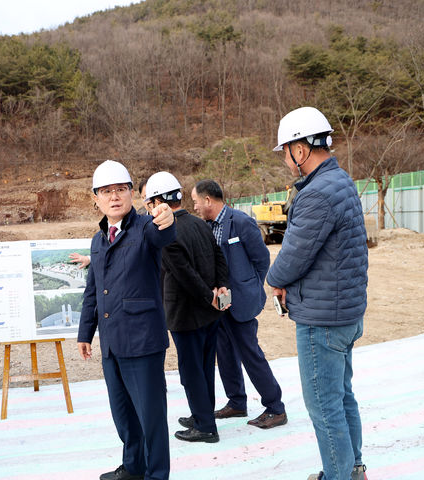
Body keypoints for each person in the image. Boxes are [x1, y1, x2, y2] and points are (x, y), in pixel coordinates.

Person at [267, 107, 369, 480]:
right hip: (346, 314)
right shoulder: (341, 181)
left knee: (324, 407)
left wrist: (273, 278)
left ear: (301, 148)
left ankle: (340, 475)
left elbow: (293, 257)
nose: (286, 159)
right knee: (342, 398)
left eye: (286, 150)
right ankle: (353, 469)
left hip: (322, 320)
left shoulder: (316, 195)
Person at [77, 160, 175, 480]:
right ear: (95, 198)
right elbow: (93, 289)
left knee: (151, 416)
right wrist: (84, 333)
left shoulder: (145, 227)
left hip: (142, 340)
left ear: (132, 193)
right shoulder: (98, 239)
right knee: (124, 414)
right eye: (106, 192)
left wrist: (166, 219)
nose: (114, 197)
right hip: (112, 341)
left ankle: (156, 474)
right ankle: (133, 468)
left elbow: (163, 235)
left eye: (121, 190)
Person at [191, 179, 287, 429]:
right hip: (219, 303)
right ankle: (236, 402)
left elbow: (262, 259)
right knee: (224, 354)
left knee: (250, 354)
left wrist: (249, 286)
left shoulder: (241, 221)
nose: (195, 207)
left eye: (195, 202)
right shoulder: (206, 226)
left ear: (208, 200)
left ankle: (276, 407)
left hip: (241, 301)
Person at [144, 171, 230, 444]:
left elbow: (183, 273)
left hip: (186, 314)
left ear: (158, 201)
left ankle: (205, 427)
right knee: (205, 368)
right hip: (209, 313)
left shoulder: (167, 233)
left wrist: (207, 295)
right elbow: (218, 257)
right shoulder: (199, 223)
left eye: (149, 203)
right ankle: (202, 414)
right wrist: (220, 287)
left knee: (191, 372)